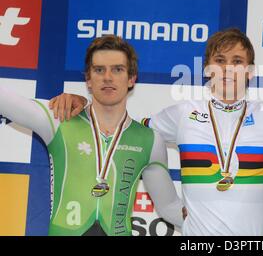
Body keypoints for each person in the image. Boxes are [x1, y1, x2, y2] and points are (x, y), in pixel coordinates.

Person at [49, 28, 263, 236]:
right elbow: (125, 131)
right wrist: (82, 101)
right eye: (220, 61)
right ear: (206, 70)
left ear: (250, 71)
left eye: (237, 62)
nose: (228, 69)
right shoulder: (180, 114)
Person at [0, 35, 183, 236]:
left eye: (117, 69)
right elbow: (6, 100)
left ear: (131, 79)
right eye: (99, 70)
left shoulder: (150, 140)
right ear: (88, 79)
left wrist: (217, 223)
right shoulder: (60, 118)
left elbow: (169, 207)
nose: (107, 77)